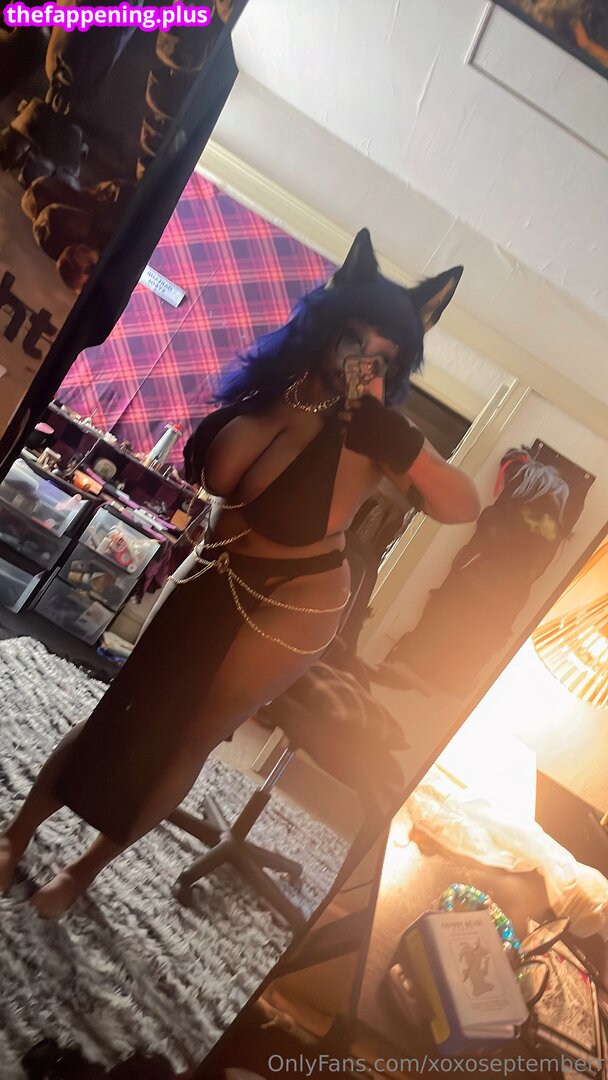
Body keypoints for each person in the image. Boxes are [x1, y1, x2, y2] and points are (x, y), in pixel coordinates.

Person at [0, 228, 480, 917]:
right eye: (354, 339)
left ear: (398, 363)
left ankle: (82, 873)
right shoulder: (279, 387)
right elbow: (223, 477)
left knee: (189, 735)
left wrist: (400, 442)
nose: (362, 362)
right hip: (215, 569)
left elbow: (462, 505)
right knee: (125, 704)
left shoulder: (379, 438)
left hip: (296, 602)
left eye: (383, 355)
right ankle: (15, 835)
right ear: (328, 326)